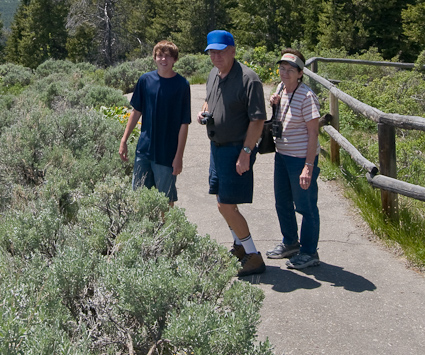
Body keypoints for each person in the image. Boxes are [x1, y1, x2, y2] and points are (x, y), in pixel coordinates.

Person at [198, 30, 268, 277]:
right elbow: (209, 99)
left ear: (233, 50)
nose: (216, 56)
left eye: (221, 51)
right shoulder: (214, 74)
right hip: (216, 148)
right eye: (212, 52)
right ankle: (239, 246)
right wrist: (203, 112)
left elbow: (258, 120)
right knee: (221, 202)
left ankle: (254, 256)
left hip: (236, 149)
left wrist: (246, 152)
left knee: (227, 205)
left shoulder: (249, 79)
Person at [265, 48, 323, 271]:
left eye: (290, 70)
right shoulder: (281, 88)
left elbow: (314, 133)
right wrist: (275, 102)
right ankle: (290, 243)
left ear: (300, 73)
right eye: (282, 68)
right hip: (282, 155)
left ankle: (309, 252)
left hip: (300, 159)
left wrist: (308, 167)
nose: (284, 73)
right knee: (282, 202)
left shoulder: (307, 96)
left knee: (306, 206)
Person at [120, 40, 192, 205]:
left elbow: (184, 123)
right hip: (144, 150)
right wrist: (124, 140)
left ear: (175, 59)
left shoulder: (182, 85)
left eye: (168, 56)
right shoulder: (145, 80)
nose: (163, 60)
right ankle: (144, 231)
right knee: (139, 198)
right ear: (154, 58)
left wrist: (179, 156)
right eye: (160, 56)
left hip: (167, 153)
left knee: (165, 201)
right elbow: (136, 111)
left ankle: (165, 230)